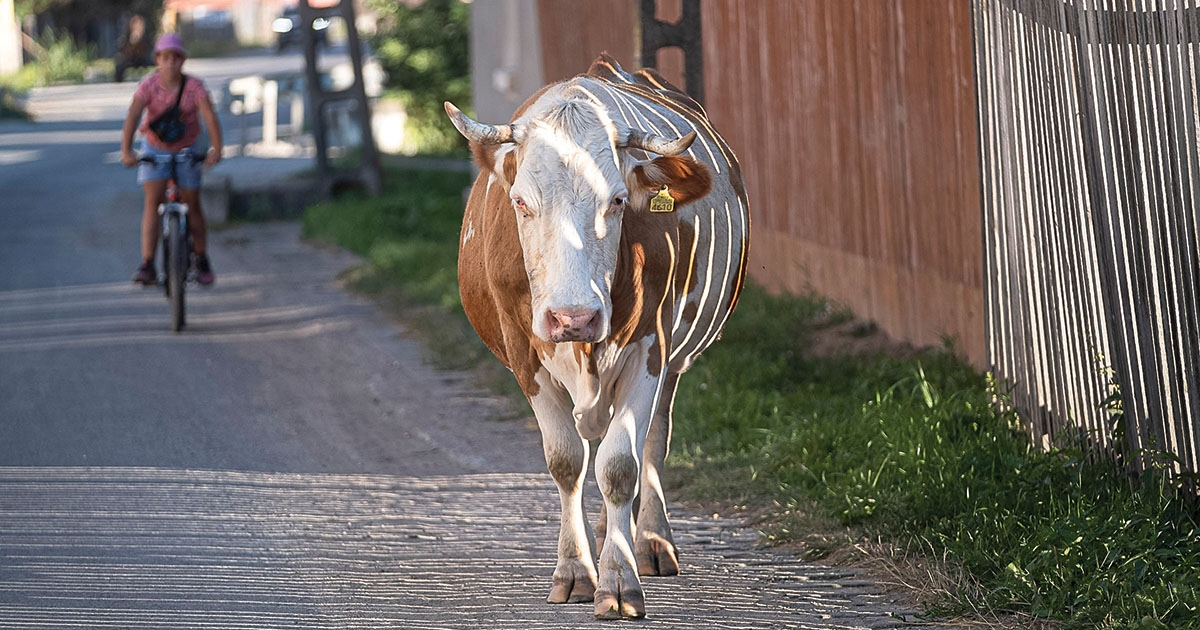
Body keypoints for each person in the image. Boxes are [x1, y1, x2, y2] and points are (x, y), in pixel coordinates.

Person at [120, 33, 223, 286]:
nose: (170, 63)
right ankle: (147, 264)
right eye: (165, 58)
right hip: (155, 148)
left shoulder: (195, 87)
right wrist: (127, 151)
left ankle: (201, 259)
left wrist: (216, 149)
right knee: (153, 202)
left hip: (187, 148)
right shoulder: (148, 86)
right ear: (157, 60)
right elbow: (133, 116)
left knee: (193, 203)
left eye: (175, 58)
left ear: (182, 61)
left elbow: (209, 117)